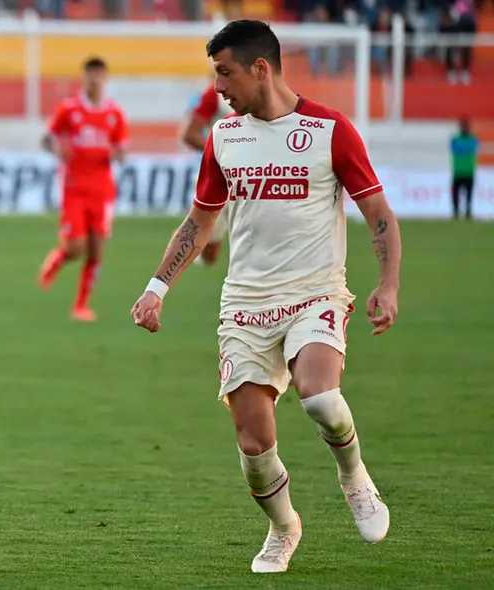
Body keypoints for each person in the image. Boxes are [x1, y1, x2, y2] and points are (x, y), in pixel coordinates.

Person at [130, 20, 401, 574]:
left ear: (261, 68)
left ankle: (354, 476)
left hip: (314, 293)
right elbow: (198, 224)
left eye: (224, 74)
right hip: (245, 305)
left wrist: (388, 282)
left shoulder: (330, 129)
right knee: (254, 446)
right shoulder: (225, 137)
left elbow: (377, 212)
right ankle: (284, 528)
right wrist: (157, 287)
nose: (218, 89)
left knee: (320, 398)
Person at [38, 56, 128, 322]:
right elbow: (46, 139)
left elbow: (122, 149)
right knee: (76, 247)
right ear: (84, 77)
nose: (95, 79)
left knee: (96, 249)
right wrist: (57, 150)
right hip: (75, 188)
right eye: (91, 74)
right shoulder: (69, 110)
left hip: (102, 191)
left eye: (99, 74)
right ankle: (58, 259)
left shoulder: (114, 114)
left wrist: (117, 153)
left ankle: (81, 305)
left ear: (106, 77)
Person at [179, 83, 230, 267]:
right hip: (218, 178)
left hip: (251, 180)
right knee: (210, 256)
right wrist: (221, 154)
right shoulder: (214, 95)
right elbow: (189, 134)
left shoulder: (263, 93)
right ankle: (181, 239)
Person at [450, 115, 478, 220]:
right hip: (458, 171)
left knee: (469, 195)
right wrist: (465, 148)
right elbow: (457, 148)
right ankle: (456, 212)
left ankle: (468, 212)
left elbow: (463, 148)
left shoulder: (472, 139)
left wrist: (462, 148)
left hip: (468, 171)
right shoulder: (455, 139)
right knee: (455, 194)